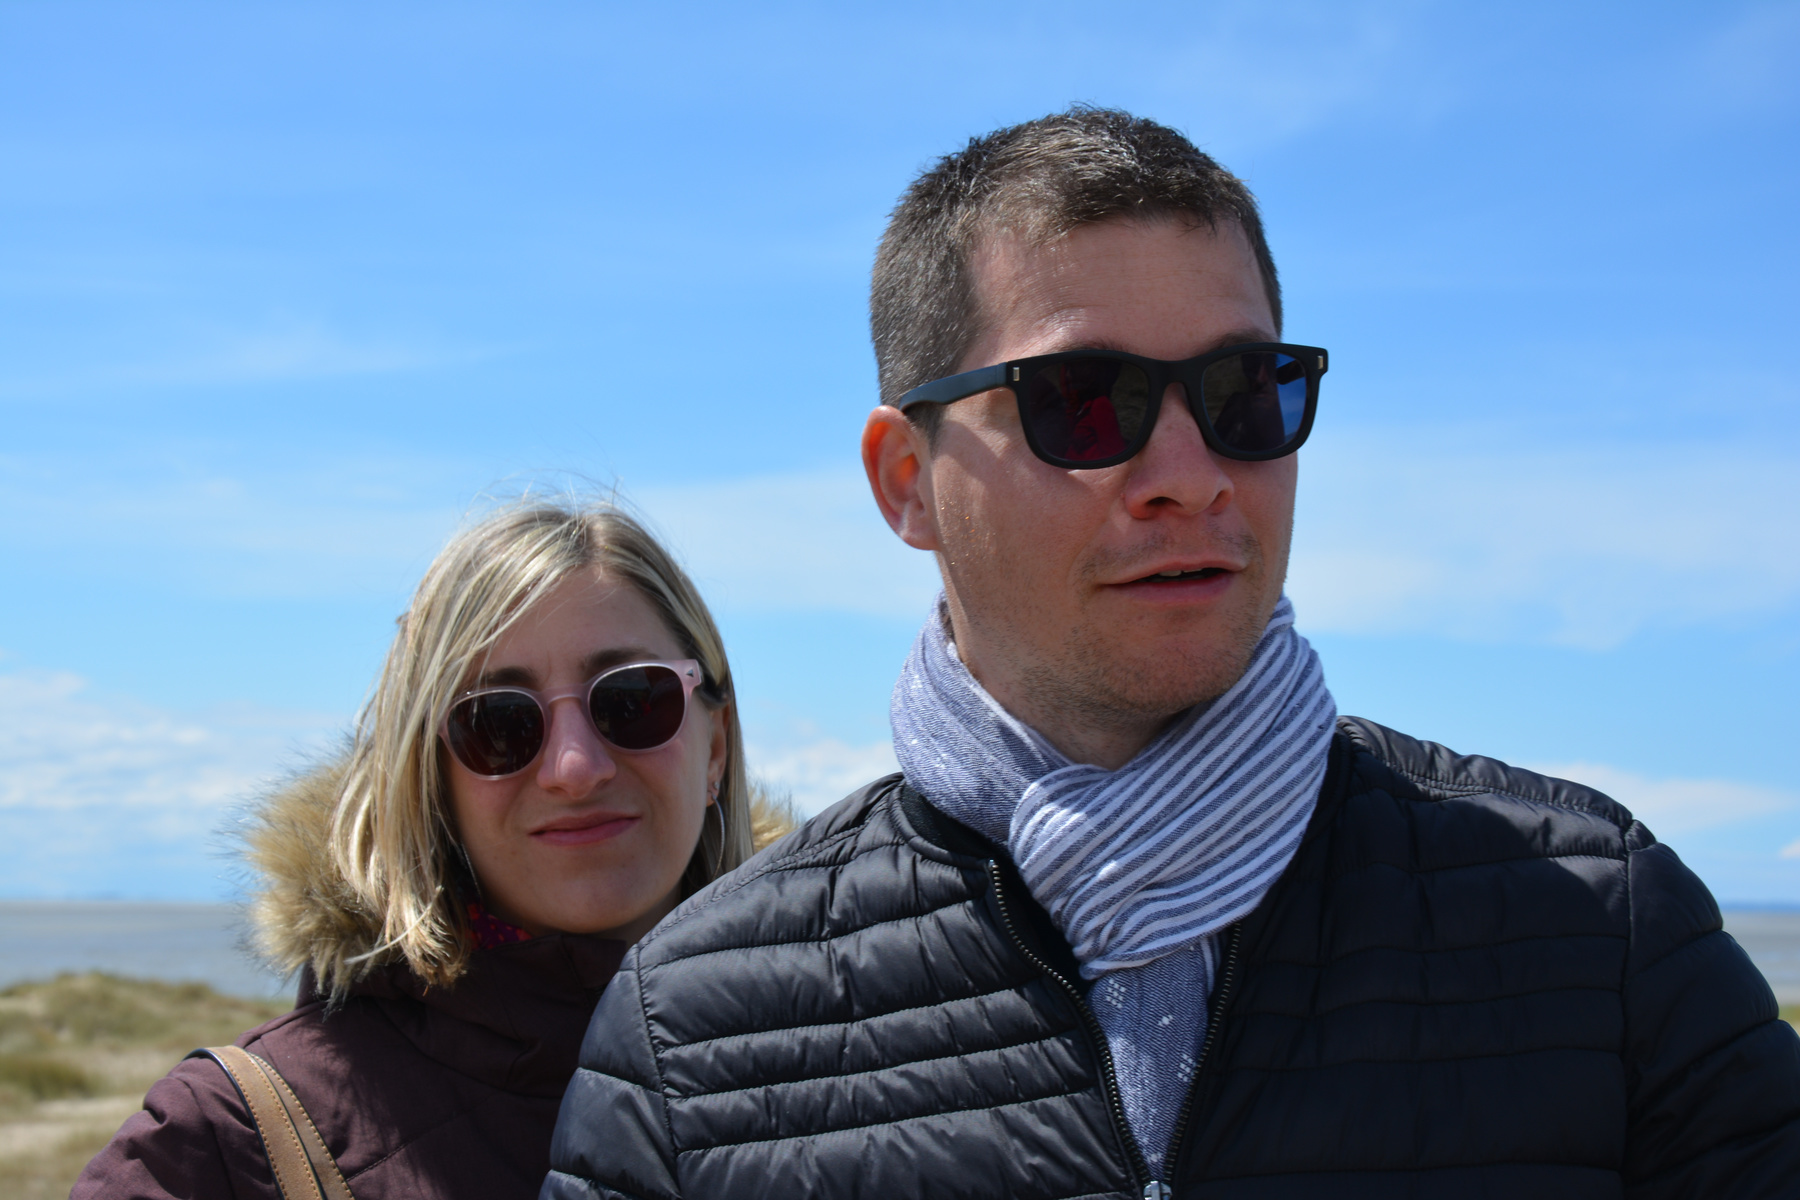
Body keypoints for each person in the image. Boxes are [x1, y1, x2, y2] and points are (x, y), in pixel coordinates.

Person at [543, 110, 1800, 1198]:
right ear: (907, 482)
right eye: (1084, 403)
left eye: (1246, 390)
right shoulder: (693, 1037)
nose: (1191, 476)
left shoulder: (1601, 931)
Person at [75, 499, 790, 1199]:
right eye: (499, 723)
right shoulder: (230, 1147)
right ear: (431, 778)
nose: (575, 768)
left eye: (632, 701)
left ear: (716, 747)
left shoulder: (843, 1054)